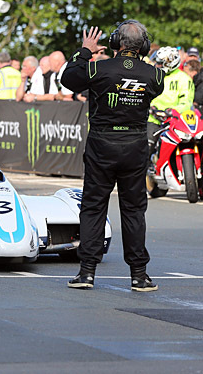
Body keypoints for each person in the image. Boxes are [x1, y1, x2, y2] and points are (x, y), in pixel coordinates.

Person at [61, 22, 164, 292]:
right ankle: (139, 276)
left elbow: (68, 79)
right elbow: (154, 86)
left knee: (94, 207)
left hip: (102, 144)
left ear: (116, 42)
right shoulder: (154, 75)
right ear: (143, 46)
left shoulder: (98, 68)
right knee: (133, 210)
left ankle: (87, 274)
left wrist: (85, 51)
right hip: (134, 145)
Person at [147, 46, 194, 155]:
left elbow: (187, 101)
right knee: (145, 149)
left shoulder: (184, 79)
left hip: (175, 120)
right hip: (153, 119)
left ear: (169, 64)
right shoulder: (153, 76)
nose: (156, 65)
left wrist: (171, 111)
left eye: (159, 63)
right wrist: (150, 107)